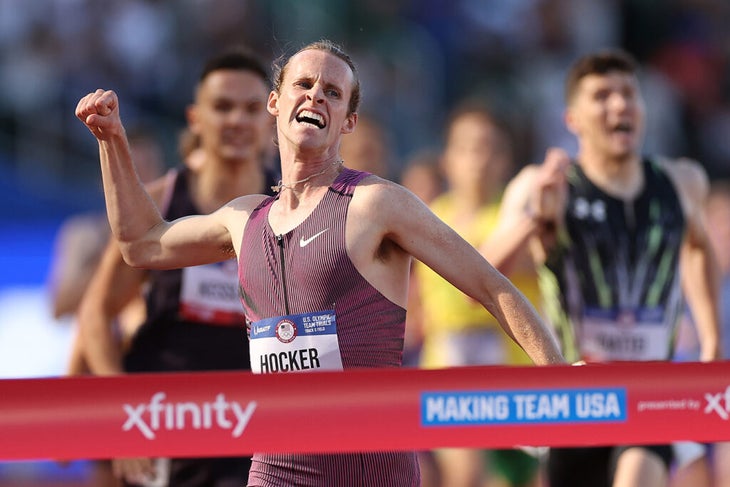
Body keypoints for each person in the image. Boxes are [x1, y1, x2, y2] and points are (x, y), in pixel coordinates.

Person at [76, 39, 566, 487]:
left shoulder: (377, 204)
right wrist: (111, 141)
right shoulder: (244, 219)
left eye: (332, 92)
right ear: (276, 103)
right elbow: (141, 243)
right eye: (303, 85)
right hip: (276, 468)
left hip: (370, 470)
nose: (315, 97)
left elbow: (490, 285)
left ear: (348, 122)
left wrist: (555, 379)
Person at [481, 48, 721, 487]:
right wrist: (536, 217)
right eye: (602, 95)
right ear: (572, 119)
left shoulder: (682, 181)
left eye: (629, 93)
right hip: (576, 396)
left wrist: (710, 341)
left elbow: (700, 249)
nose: (619, 105)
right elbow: (479, 272)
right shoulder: (543, 185)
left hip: (651, 395)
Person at [75, 47, 277, 487]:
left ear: (271, 121)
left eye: (250, 108)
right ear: (194, 118)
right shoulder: (158, 203)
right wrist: (123, 419)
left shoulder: (289, 209)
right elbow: (95, 314)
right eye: (222, 107)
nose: (237, 120)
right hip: (165, 420)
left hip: (258, 425)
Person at [410, 103, 544, 487]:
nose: (478, 160)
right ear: (447, 159)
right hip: (449, 378)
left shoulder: (519, 217)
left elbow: (521, 262)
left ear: (506, 159)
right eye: (468, 148)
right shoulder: (427, 216)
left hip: (516, 383)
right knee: (464, 478)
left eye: (490, 148)